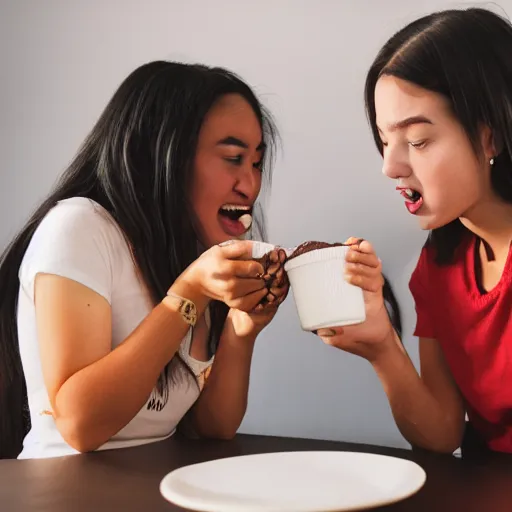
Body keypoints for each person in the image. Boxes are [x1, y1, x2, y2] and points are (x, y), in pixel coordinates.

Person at [0, 61, 289, 459]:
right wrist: (187, 294)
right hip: (62, 491)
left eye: (256, 163)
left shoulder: (188, 257)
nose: (250, 185)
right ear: (162, 154)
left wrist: (242, 329)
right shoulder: (79, 227)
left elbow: (213, 426)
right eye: (233, 158)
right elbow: (81, 426)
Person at [315, 7, 512, 455]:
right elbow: (441, 435)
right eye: (385, 141)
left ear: (491, 136)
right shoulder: (440, 265)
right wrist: (382, 344)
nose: (390, 167)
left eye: (418, 141)